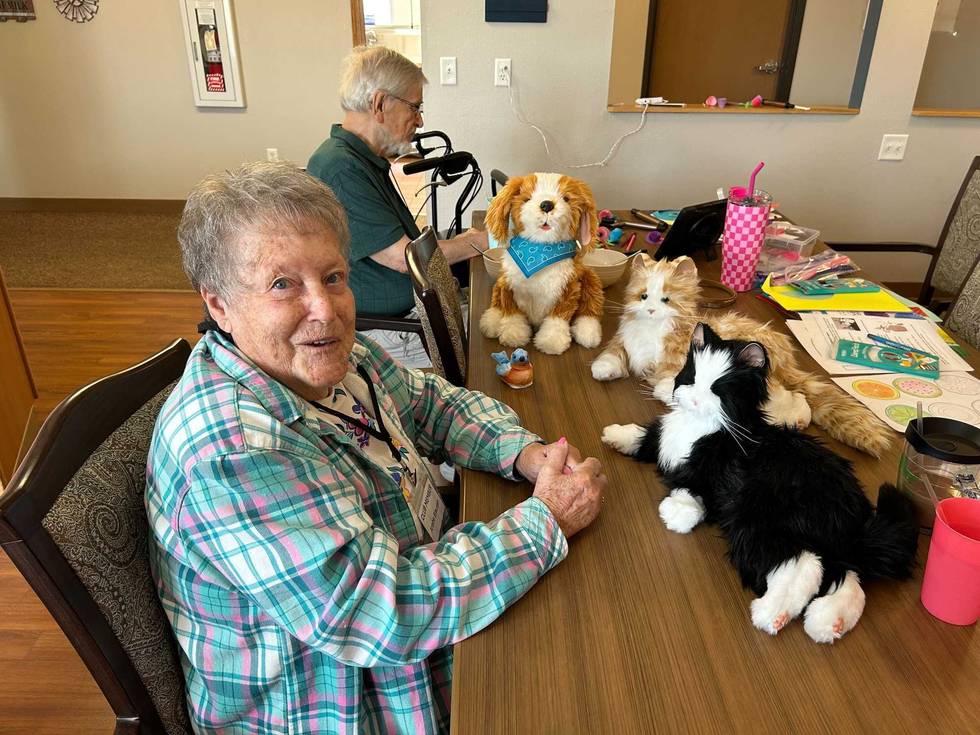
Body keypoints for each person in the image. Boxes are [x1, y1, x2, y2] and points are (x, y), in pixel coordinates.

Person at [146, 161, 605, 734]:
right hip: (342, 695)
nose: (326, 309)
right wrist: (546, 520)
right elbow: (381, 612)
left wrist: (525, 453)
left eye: (333, 276)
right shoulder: (233, 449)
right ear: (219, 306)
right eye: (282, 284)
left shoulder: (330, 357)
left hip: (417, 588)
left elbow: (433, 405)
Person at [307, 46, 487, 365]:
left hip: (417, 310)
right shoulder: (340, 168)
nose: (419, 120)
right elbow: (406, 259)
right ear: (379, 104)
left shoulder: (360, 159)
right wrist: (476, 242)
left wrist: (464, 243)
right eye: (415, 107)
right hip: (400, 328)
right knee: (496, 335)